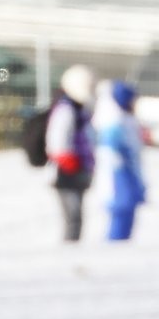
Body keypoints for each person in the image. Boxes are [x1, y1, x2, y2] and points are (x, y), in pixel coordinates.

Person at [46, 64, 96, 242]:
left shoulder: (80, 109)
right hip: (66, 173)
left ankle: (73, 249)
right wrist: (67, 159)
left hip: (79, 170)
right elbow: (56, 139)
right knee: (72, 218)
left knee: (77, 218)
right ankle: (68, 254)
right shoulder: (66, 109)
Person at [93, 80, 147, 241]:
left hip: (129, 173)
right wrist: (123, 167)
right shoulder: (114, 121)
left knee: (128, 215)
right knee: (120, 216)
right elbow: (110, 151)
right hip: (119, 176)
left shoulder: (127, 120)